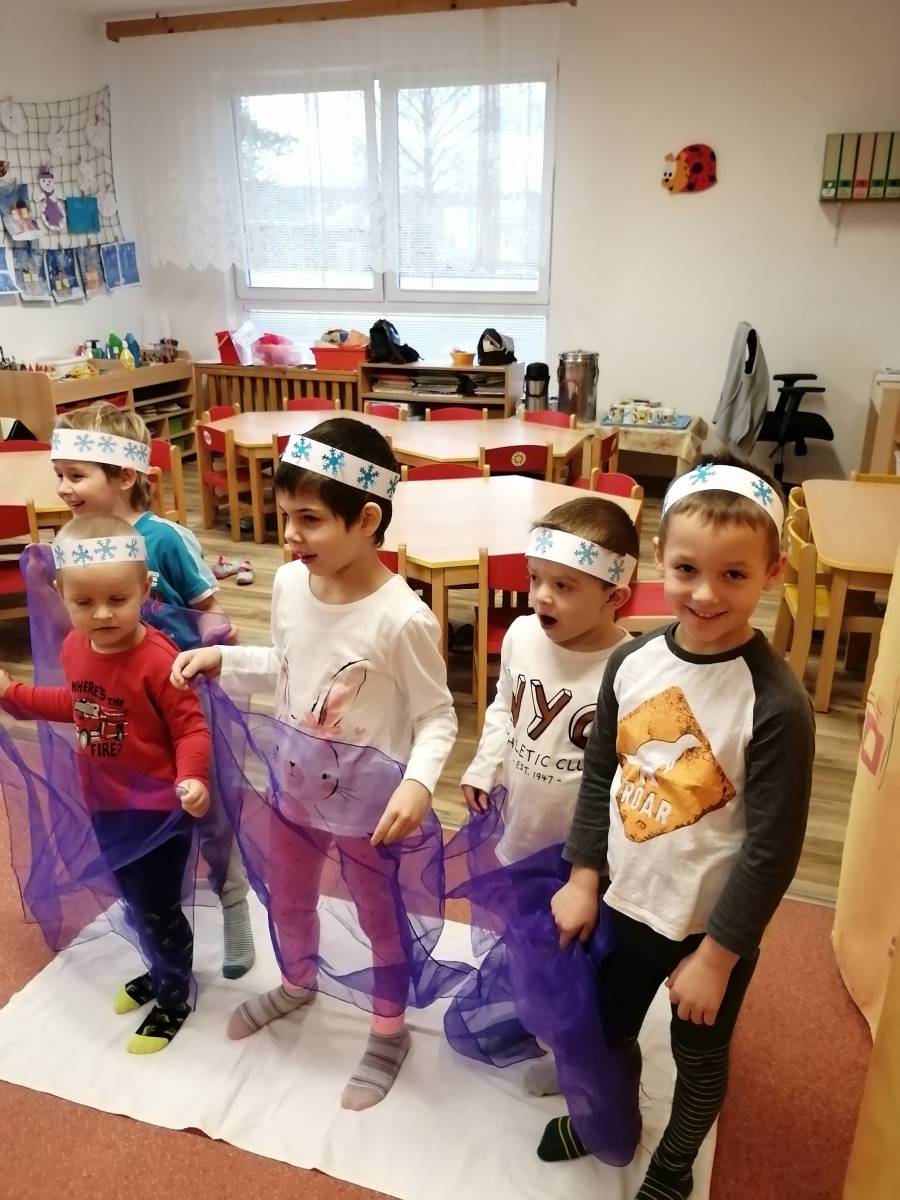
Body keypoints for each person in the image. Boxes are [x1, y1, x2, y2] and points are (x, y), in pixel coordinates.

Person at [543, 455, 815, 1200]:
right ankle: (605, 1121)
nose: (705, 593)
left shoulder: (776, 703)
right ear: (659, 557)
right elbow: (600, 774)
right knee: (605, 1031)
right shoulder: (630, 662)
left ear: (772, 573)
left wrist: (719, 957)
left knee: (698, 1056)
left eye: (734, 575)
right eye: (688, 569)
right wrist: (583, 876)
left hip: (710, 925)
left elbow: (772, 848)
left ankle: (673, 1161)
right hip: (626, 901)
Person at [170, 417, 457, 1109]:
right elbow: (286, 664)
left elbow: (437, 716)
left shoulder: (402, 618)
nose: (291, 536)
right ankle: (298, 981)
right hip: (293, 787)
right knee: (289, 895)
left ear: (367, 520)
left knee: (379, 914)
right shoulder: (290, 584)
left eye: (309, 520)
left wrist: (420, 783)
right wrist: (223, 658)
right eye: (285, 517)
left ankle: (388, 1029)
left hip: (369, 806)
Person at [50, 403, 255, 979]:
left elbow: (208, 608)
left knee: (208, 809)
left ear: (123, 474)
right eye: (59, 475)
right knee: (131, 804)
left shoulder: (164, 540)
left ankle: (233, 903)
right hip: (120, 706)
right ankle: (154, 903)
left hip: (179, 697)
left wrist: (214, 633)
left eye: (76, 475)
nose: (63, 488)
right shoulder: (71, 539)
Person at [0, 515, 211, 1054]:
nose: (101, 614)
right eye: (84, 602)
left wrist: (192, 776)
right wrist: (16, 697)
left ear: (145, 588)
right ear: (61, 595)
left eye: (118, 599)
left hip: (158, 810)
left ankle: (174, 995)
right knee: (134, 900)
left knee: (158, 906)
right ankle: (160, 967)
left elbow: (191, 727)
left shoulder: (159, 660)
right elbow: (81, 705)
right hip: (106, 802)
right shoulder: (77, 647)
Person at [458, 496, 637, 1090]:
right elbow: (504, 708)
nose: (540, 597)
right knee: (528, 945)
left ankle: (571, 1053)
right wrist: (484, 766)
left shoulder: (630, 667)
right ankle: (540, 1021)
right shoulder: (521, 635)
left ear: (615, 596)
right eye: (535, 579)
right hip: (523, 832)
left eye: (564, 585)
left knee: (578, 962)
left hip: (588, 858)